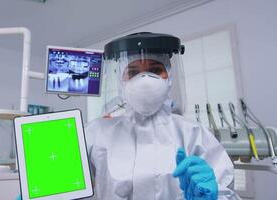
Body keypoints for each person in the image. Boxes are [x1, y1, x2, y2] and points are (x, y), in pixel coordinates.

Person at [84, 32, 241, 200]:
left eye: (155, 70)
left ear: (169, 77)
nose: (144, 80)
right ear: (121, 81)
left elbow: (224, 191)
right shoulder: (97, 133)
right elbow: (61, 178)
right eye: (133, 72)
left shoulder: (193, 134)